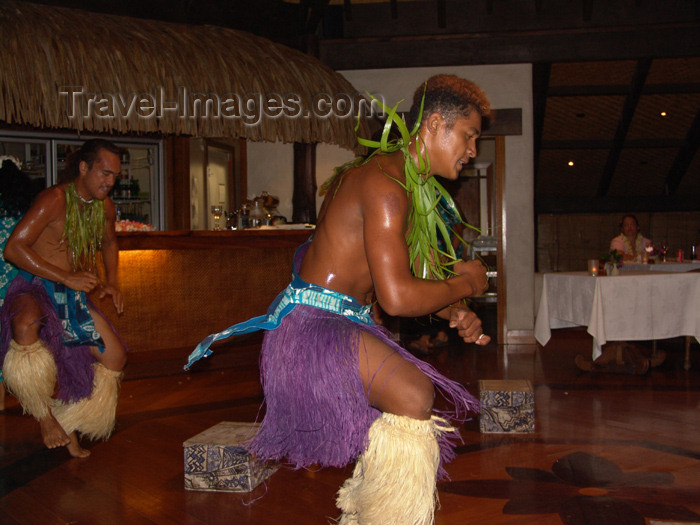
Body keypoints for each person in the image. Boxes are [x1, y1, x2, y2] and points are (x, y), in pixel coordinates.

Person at [187, 74, 491, 524]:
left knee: (401, 408)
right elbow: (397, 298)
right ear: (432, 126)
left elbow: (408, 280)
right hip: (314, 327)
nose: (472, 151)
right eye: (468, 136)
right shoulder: (386, 184)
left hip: (344, 324)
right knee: (414, 394)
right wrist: (468, 283)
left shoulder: (408, 187)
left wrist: (456, 310)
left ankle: (368, 515)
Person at [0, 139, 127, 458]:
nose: (109, 182)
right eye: (104, 173)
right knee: (25, 327)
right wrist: (66, 276)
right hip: (33, 286)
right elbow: (14, 248)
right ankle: (46, 421)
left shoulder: (104, 207)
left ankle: (67, 420)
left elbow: (109, 242)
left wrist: (113, 281)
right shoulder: (53, 199)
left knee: (114, 357)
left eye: (115, 176)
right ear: (84, 168)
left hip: (71, 295)